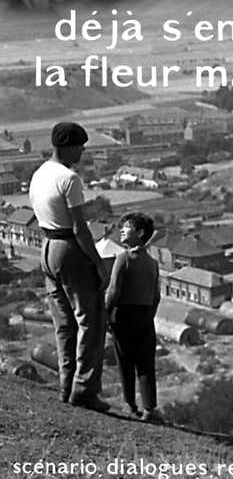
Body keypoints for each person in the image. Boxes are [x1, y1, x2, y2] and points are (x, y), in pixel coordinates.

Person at [29, 122, 110, 412]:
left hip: (47, 248)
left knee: (64, 324)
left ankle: (66, 387)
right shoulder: (69, 178)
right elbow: (80, 228)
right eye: (79, 145)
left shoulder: (40, 174)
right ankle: (84, 391)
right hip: (68, 249)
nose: (83, 151)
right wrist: (98, 264)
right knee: (90, 321)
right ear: (66, 146)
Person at [105, 212, 160, 421]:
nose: (121, 230)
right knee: (146, 364)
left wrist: (106, 315)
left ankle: (130, 405)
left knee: (125, 362)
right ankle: (149, 409)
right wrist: (148, 316)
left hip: (124, 316)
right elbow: (156, 296)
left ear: (139, 232)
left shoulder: (123, 259)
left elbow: (113, 292)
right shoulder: (152, 263)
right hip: (145, 317)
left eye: (126, 227)